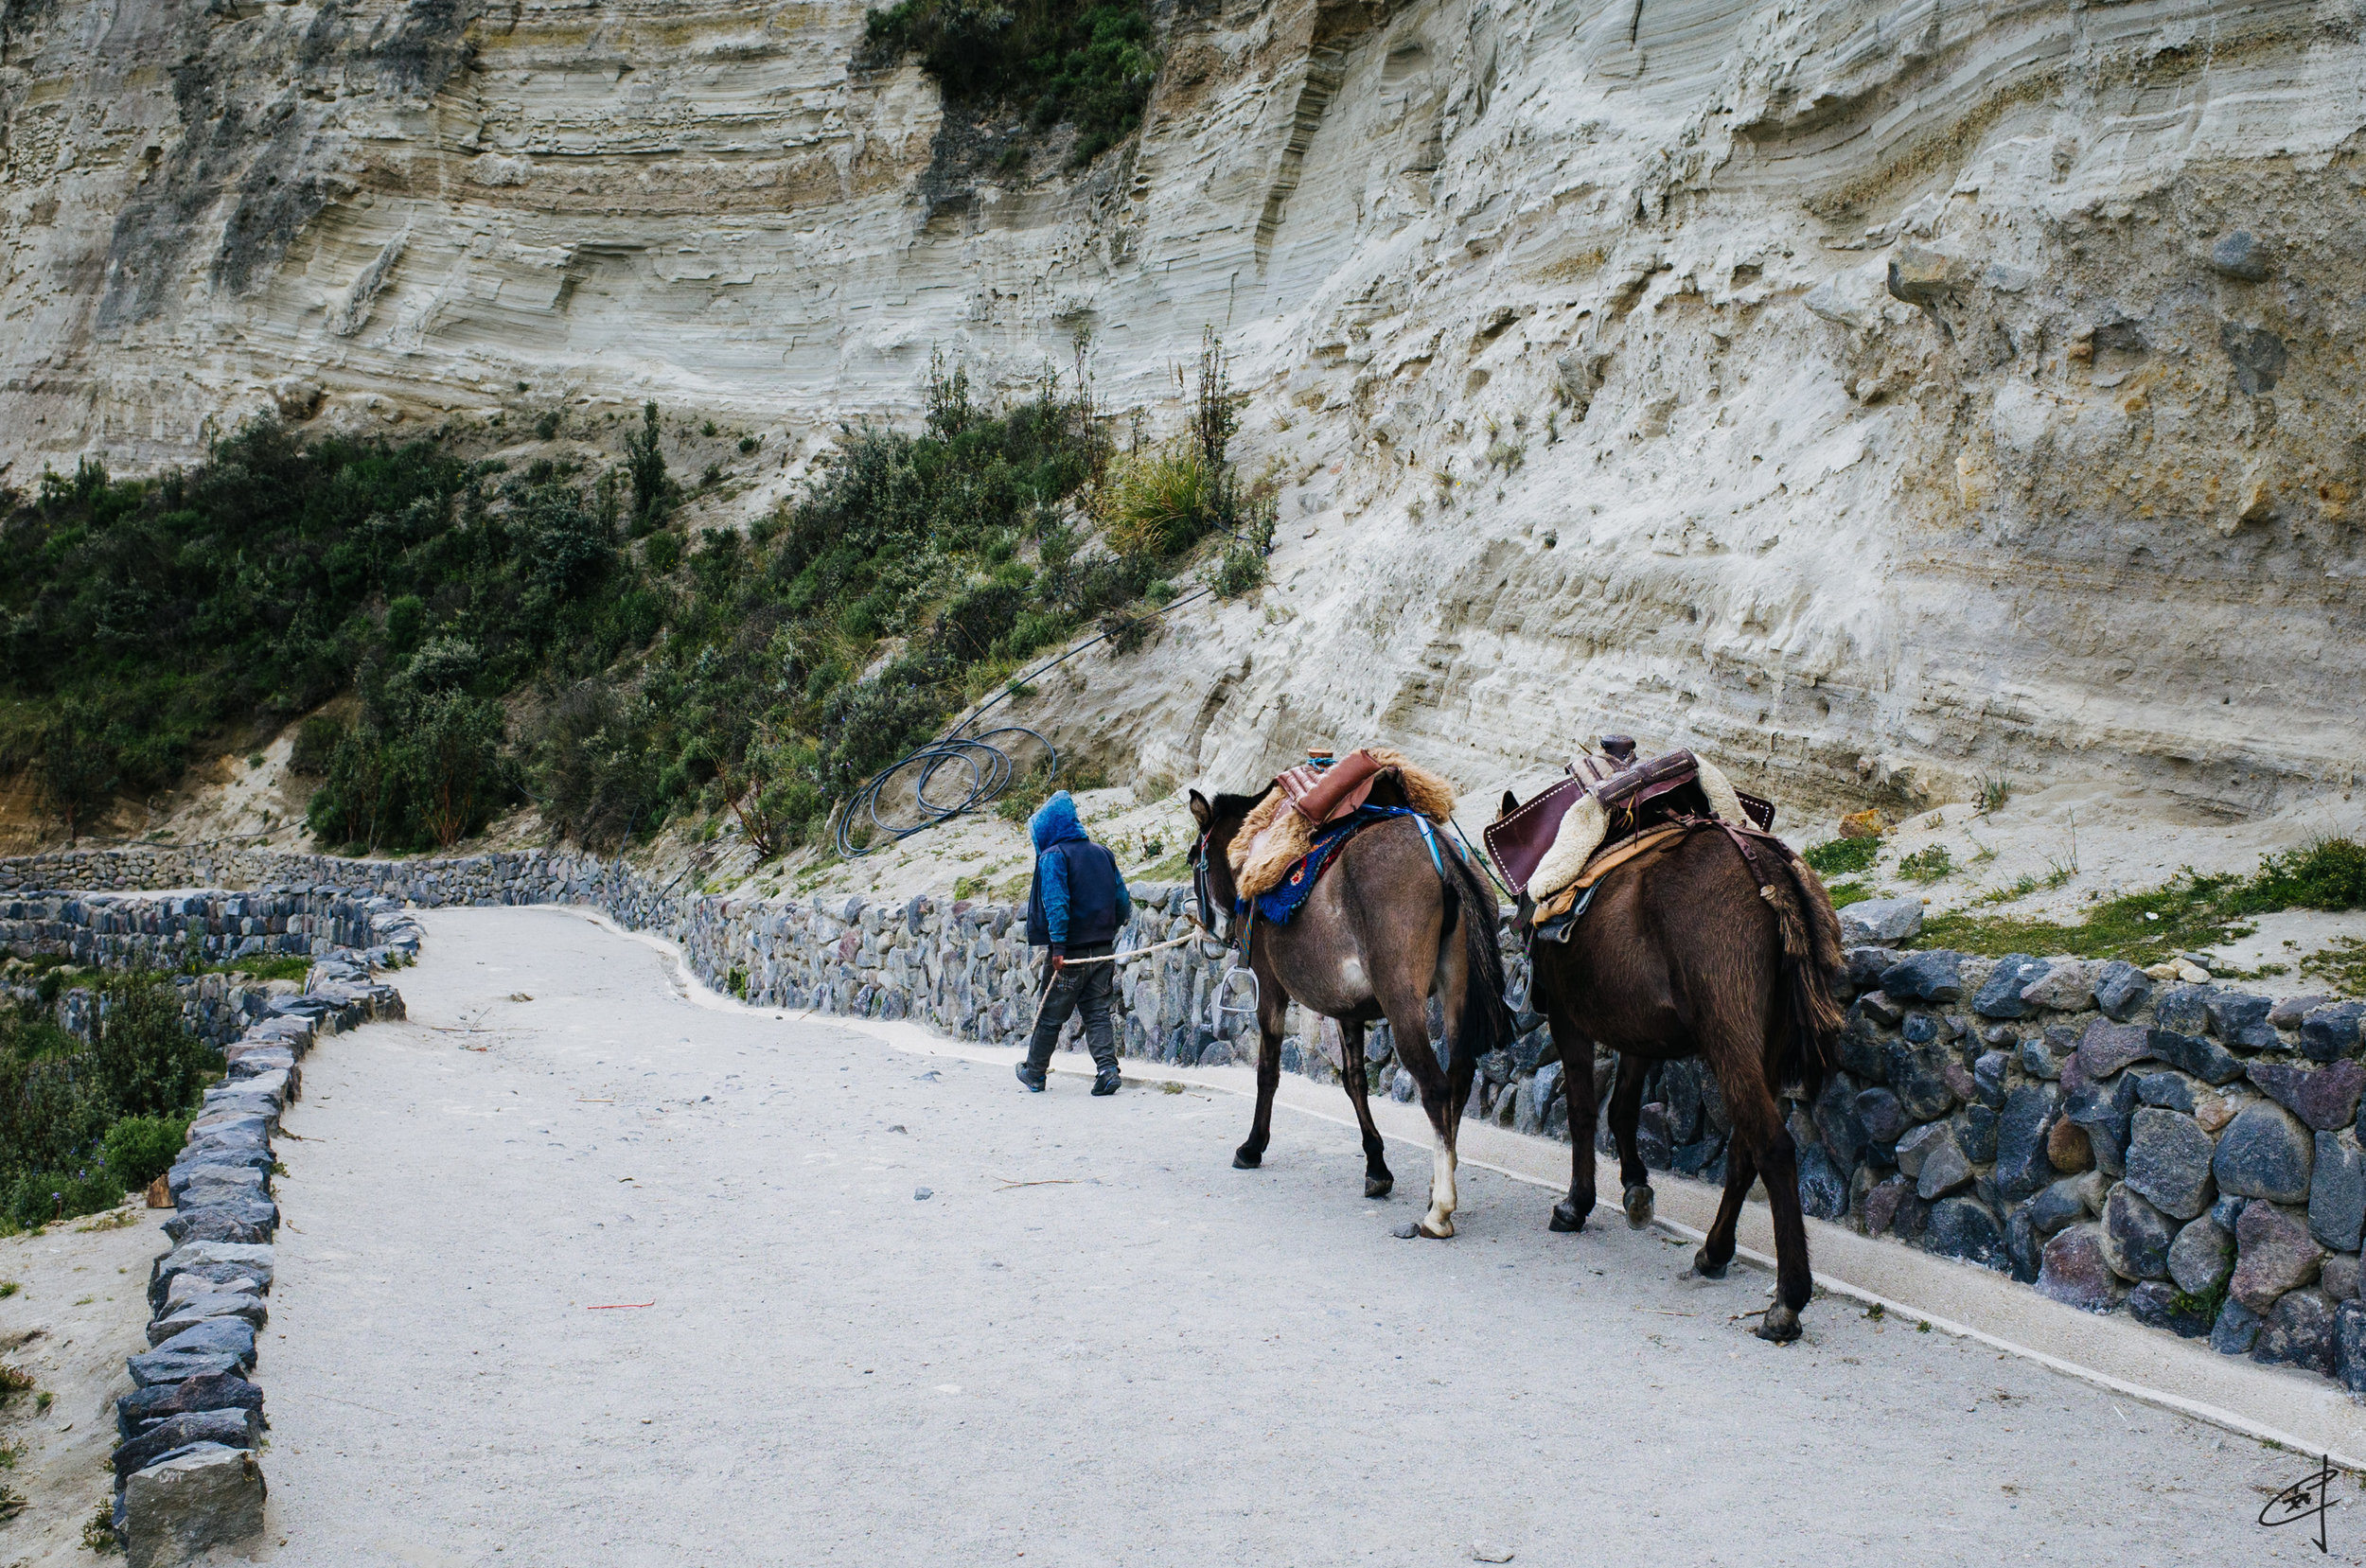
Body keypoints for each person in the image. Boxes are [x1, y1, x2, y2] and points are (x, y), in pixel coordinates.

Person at [1016, 789, 1132, 1095]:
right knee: (1097, 1012)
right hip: (1102, 953)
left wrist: (1059, 946)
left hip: (1068, 956)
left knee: (1050, 1014)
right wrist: (1107, 933)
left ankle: (1035, 1072)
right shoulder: (1103, 853)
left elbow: (1057, 903)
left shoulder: (1054, 855)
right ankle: (1107, 1070)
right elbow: (1122, 901)